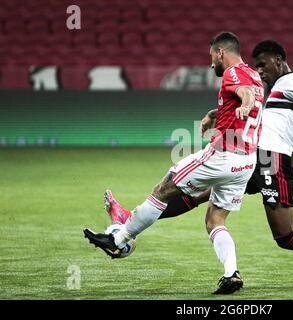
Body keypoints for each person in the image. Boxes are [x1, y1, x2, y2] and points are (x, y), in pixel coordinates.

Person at [106, 40, 293, 284]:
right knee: (202, 193)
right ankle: (130, 221)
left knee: (285, 236)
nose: (260, 70)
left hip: (273, 161)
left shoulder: (292, 81)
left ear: (279, 60)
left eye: (263, 64)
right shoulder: (280, 88)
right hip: (257, 157)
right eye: (256, 65)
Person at [84, 31, 265, 295]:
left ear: (220, 53)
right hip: (246, 163)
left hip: (223, 155)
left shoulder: (233, 73)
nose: (211, 63)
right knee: (215, 220)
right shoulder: (256, 76)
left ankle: (118, 239)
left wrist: (245, 104)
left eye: (211, 57)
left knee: (163, 189)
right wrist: (214, 114)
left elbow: (245, 95)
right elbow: (245, 101)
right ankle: (231, 274)